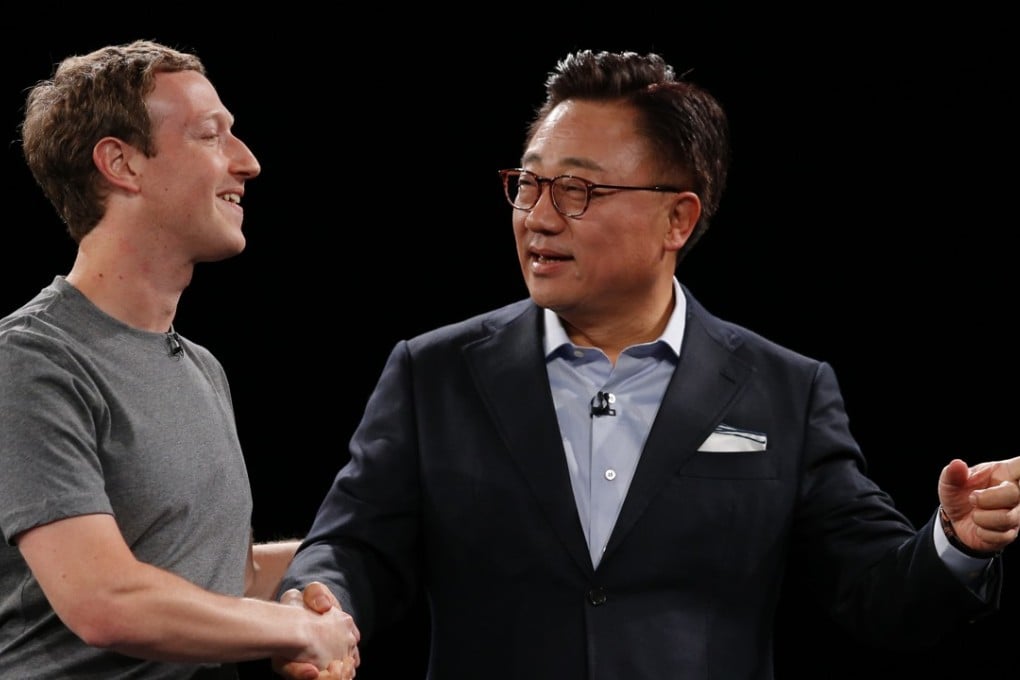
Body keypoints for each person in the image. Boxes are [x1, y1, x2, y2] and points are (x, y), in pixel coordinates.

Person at [272, 49, 1020, 679]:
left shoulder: (785, 391)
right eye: (528, 184)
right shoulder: (433, 373)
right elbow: (352, 546)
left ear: (677, 219)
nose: (538, 217)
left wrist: (954, 542)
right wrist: (317, 603)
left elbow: (881, 596)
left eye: (578, 190)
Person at [0, 40, 359, 679]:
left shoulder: (200, 367)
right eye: (209, 135)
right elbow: (106, 602)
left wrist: (361, 556)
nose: (247, 161)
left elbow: (223, 582)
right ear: (122, 164)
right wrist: (299, 629)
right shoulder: (30, 361)